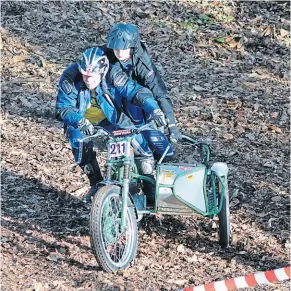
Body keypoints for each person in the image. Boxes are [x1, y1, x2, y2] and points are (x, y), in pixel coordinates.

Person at [55, 47, 173, 203]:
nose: (88, 79)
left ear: (103, 71)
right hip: (81, 121)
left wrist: (155, 109)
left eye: (93, 76)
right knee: (79, 147)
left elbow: (136, 92)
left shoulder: (114, 74)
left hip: (111, 119)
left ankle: (148, 186)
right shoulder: (70, 76)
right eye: (85, 75)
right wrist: (80, 121)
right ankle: (96, 184)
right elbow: (63, 108)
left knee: (139, 144)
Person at [105, 22, 183, 143]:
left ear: (132, 47)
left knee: (141, 118)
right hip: (114, 96)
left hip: (138, 97)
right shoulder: (107, 54)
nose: (119, 53)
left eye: (124, 49)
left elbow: (159, 92)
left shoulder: (142, 64)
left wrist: (172, 125)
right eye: (116, 49)